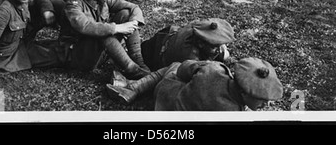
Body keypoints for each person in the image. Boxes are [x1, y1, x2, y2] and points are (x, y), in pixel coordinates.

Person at [59, 0, 150, 79]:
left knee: (126, 14)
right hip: (79, 55)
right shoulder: (74, 4)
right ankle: (132, 70)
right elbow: (86, 26)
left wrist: (133, 22)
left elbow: (134, 7)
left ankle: (139, 62)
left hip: (100, 52)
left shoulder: (103, 0)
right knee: (104, 31)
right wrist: (117, 28)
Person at [107, 57, 283, 111]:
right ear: (244, 93)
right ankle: (133, 86)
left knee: (175, 65)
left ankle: (134, 87)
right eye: (261, 98)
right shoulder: (233, 113)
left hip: (165, 97)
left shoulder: (215, 68)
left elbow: (184, 68)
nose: (266, 103)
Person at [139, 18, 233, 71]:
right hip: (156, 53)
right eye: (214, 47)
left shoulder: (199, 30)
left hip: (168, 34)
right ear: (200, 44)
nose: (220, 49)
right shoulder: (189, 57)